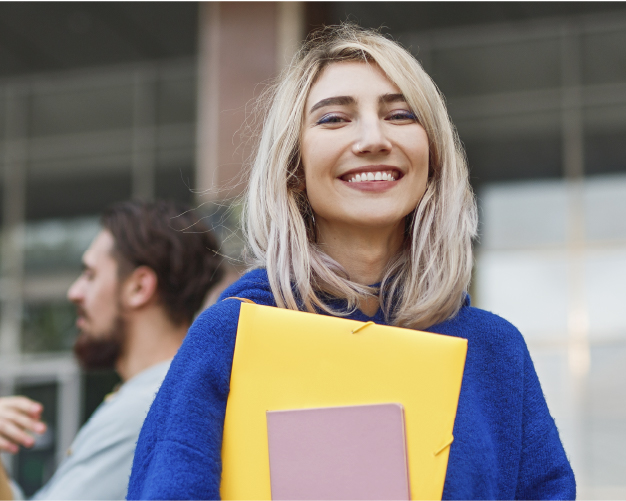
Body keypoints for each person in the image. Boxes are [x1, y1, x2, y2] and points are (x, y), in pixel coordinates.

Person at [127, 25, 576, 500]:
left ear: (433, 159)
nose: (372, 139)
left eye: (401, 115)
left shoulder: (494, 352)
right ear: (294, 169)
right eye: (334, 119)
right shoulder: (231, 337)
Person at [0, 200, 224, 500]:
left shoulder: (148, 405)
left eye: (90, 275)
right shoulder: (171, 393)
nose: (74, 292)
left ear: (139, 288)